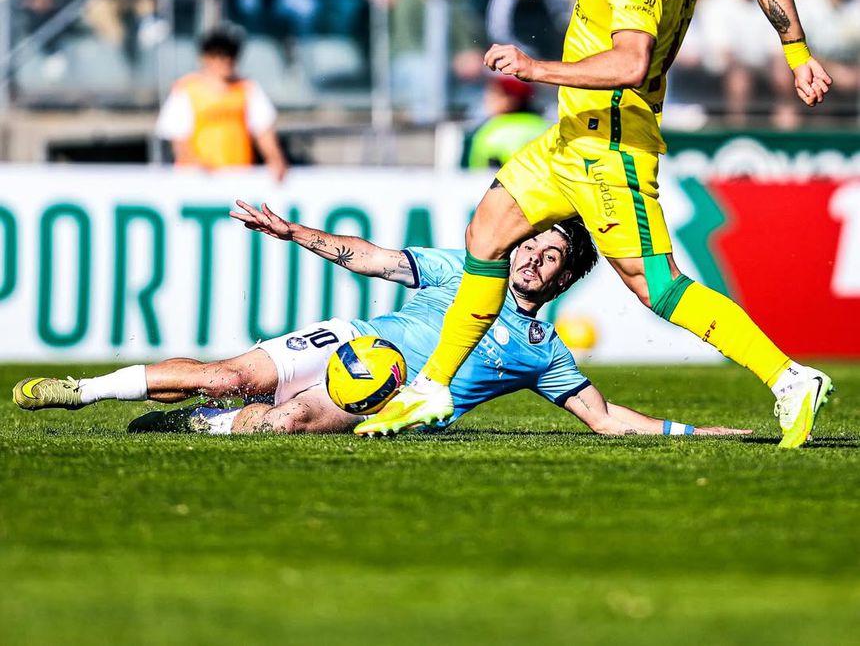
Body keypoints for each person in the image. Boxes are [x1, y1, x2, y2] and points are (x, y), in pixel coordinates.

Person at [357, 0, 835, 448]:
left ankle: (789, 378)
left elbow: (629, 63)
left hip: (610, 146)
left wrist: (536, 70)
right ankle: (432, 389)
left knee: (655, 286)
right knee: (486, 234)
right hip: (568, 140)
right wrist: (797, 53)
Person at [13, 204, 748, 442]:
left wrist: (708, 432)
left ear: (561, 277)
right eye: (532, 243)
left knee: (285, 423)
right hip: (352, 341)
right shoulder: (467, 269)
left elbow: (608, 417)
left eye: (549, 256)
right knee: (230, 374)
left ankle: (197, 425)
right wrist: (293, 231)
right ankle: (80, 389)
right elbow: (372, 258)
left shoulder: (540, 348)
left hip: (386, 399)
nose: (531, 259)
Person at [155, 26, 287, 178]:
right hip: (197, 179)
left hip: (239, 175)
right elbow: (178, 140)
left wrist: (275, 158)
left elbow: (263, 131)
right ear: (205, 57)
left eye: (230, 55)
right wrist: (197, 164)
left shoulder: (247, 89)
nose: (226, 61)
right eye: (219, 55)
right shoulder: (186, 89)